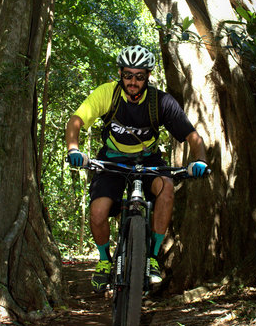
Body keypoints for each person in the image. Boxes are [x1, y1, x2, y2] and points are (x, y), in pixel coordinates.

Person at [65, 45, 208, 293]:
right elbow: (76, 121)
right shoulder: (107, 94)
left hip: (148, 161)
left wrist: (200, 161)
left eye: (139, 76)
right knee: (98, 212)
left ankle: (152, 257)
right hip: (111, 161)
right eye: (128, 75)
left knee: (167, 190)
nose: (133, 81)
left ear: (148, 76)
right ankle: (104, 261)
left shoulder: (160, 102)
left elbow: (192, 137)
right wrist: (73, 150)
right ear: (120, 73)